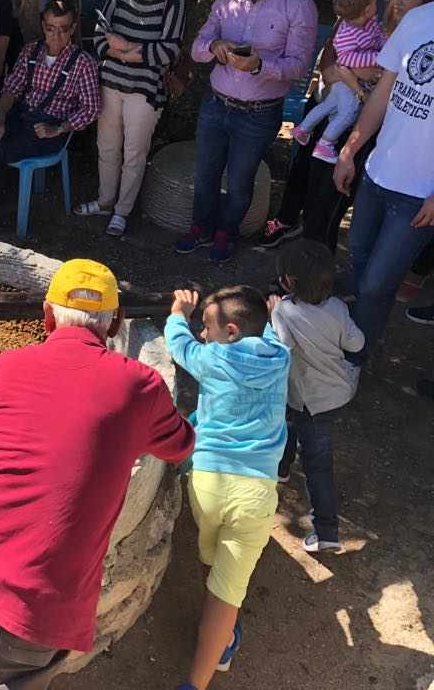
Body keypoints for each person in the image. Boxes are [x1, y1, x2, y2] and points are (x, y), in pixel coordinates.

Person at [0, 258, 195, 690]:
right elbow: (180, 446)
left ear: (46, 315)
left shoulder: (3, 365)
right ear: (114, 324)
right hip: (38, 603)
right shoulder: (141, 387)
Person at [260, 0, 434, 251]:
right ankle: (291, 229)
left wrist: (360, 75)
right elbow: (332, 56)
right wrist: (340, 72)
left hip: (366, 126)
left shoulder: (421, 33)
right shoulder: (373, 11)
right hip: (332, 107)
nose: (397, 1)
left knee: (329, 200)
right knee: (306, 174)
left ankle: (313, 275)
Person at [166, 285, 289, 690]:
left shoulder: (213, 357)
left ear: (232, 331)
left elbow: (178, 344)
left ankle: (214, 630)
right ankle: (202, 675)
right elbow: (270, 336)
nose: (203, 334)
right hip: (254, 494)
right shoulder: (279, 357)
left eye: (208, 326)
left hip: (208, 481)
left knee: (209, 552)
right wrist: (270, 317)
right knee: (227, 597)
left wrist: (178, 313)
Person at [175, 0, 317, 262]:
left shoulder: (299, 6)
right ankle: (201, 228)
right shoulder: (227, 0)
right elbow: (196, 49)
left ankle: (227, 231)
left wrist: (258, 66)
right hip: (216, 103)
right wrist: (214, 45)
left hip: (259, 112)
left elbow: (299, 66)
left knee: (240, 181)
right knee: (206, 173)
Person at [332, 0, 434, 362]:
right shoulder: (419, 18)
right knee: (358, 261)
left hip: (421, 195)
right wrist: (350, 150)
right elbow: (381, 98)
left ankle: (354, 357)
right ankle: (358, 336)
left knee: (377, 283)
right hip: (377, 175)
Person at [0, 0, 99, 232]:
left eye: (63, 28)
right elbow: (13, 87)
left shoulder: (83, 63)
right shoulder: (31, 50)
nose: (56, 35)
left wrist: (59, 129)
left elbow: (91, 109)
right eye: (50, 28)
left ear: (72, 28)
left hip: (50, 128)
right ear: (42, 26)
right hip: (22, 117)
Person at [79, 0, 185, 237]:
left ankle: (122, 211)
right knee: (107, 147)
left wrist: (122, 48)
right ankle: (104, 200)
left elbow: (168, 51)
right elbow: (99, 36)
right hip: (110, 83)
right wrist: (131, 51)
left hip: (145, 91)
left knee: (134, 153)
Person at [271, 240, 365, 553]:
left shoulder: (285, 311)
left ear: (288, 281)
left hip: (310, 398)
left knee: (317, 463)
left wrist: (273, 314)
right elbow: (356, 344)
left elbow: (282, 349)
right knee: (290, 424)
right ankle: (282, 469)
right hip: (336, 391)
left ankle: (326, 530)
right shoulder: (338, 307)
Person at [291, 0, 385, 164]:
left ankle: (303, 129)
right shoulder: (347, 34)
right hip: (345, 82)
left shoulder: (369, 23)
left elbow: (378, 37)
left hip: (345, 79)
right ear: (366, 9)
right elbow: (347, 60)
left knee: (328, 105)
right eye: (375, 1)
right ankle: (326, 143)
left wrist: (385, 44)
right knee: (348, 111)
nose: (379, 3)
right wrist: (378, 57)